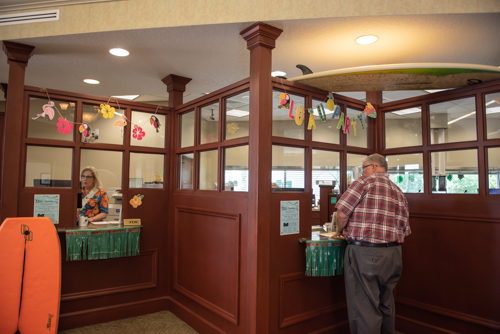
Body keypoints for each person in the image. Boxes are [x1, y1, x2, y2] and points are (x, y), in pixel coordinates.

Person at [334, 153, 410, 334]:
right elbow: (405, 229)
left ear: (374, 167)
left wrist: (339, 231)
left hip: (366, 253)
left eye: (363, 168)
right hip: (393, 254)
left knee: (364, 307)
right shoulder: (398, 191)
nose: (362, 172)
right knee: (386, 303)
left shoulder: (363, 182)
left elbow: (342, 213)